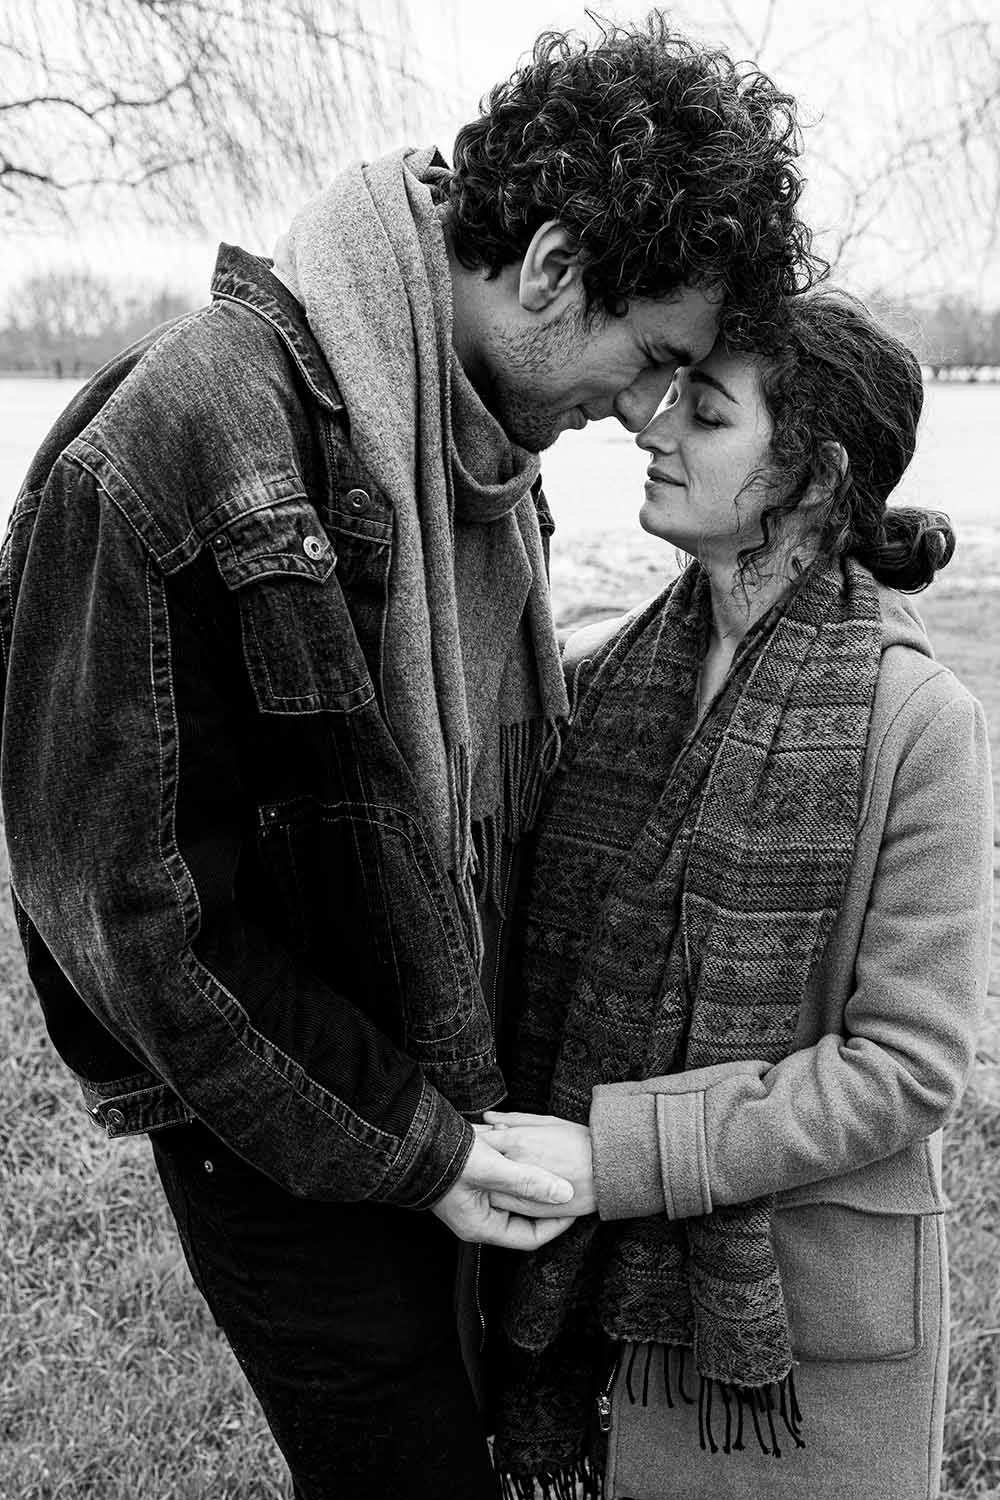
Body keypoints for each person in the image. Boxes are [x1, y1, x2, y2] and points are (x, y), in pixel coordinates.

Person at [0, 15, 817, 1499]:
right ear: (552, 266)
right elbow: (134, 924)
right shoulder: (178, 439)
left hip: (453, 1077)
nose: (639, 408)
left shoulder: (473, 453)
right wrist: (415, 1147)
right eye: (652, 359)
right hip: (289, 1136)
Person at [484, 291, 993, 1500]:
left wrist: (616, 1157)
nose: (652, 428)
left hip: (797, 1344)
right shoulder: (597, 682)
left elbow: (907, 1069)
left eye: (704, 415)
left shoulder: (916, 722)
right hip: (584, 1296)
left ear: (814, 478)